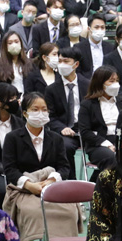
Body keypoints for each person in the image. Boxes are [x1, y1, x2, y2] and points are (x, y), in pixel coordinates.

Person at [2, 92, 80, 241]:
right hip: (24, 189)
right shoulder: (13, 138)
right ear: (25, 113)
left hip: (51, 188)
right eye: (35, 109)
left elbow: (64, 166)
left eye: (44, 109)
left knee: (68, 211)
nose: (40, 113)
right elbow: (10, 170)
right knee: (32, 211)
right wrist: (30, 185)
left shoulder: (56, 138)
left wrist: (52, 180)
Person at [45, 46, 90, 180]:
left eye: (66, 61)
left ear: (76, 64)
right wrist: (62, 128)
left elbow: (94, 112)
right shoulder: (51, 89)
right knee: (65, 146)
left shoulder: (88, 85)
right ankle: (71, 183)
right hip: (66, 131)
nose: (62, 65)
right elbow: (50, 117)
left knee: (106, 149)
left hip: (85, 129)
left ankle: (96, 185)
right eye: (60, 61)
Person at [78, 66, 122, 175]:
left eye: (117, 81)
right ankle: (112, 189)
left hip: (120, 141)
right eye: (111, 81)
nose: (116, 84)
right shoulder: (88, 104)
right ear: (100, 83)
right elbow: (85, 131)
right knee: (111, 157)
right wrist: (106, 144)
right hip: (98, 145)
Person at [0, 30, 36, 96]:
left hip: (27, 100)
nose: (14, 45)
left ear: (21, 43)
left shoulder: (30, 63)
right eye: (10, 43)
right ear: (5, 46)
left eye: (16, 42)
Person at [75, 13, 114, 79]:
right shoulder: (79, 48)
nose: (100, 30)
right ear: (88, 29)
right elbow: (77, 72)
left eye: (102, 27)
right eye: (96, 27)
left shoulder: (111, 48)